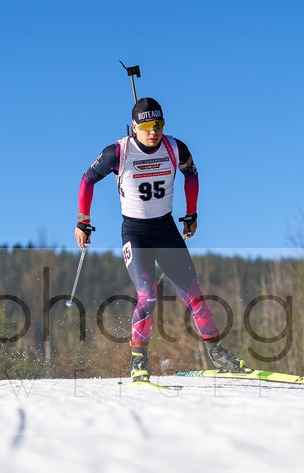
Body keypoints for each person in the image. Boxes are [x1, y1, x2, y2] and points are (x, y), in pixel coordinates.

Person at [75, 96, 251, 382]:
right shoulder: (117, 153)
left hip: (166, 229)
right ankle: (138, 361)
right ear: (134, 127)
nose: (153, 131)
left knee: (194, 295)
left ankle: (216, 351)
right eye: (147, 126)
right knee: (147, 295)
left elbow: (191, 175)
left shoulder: (175, 148)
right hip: (136, 232)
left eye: (158, 124)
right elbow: (87, 180)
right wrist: (83, 221)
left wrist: (191, 214)